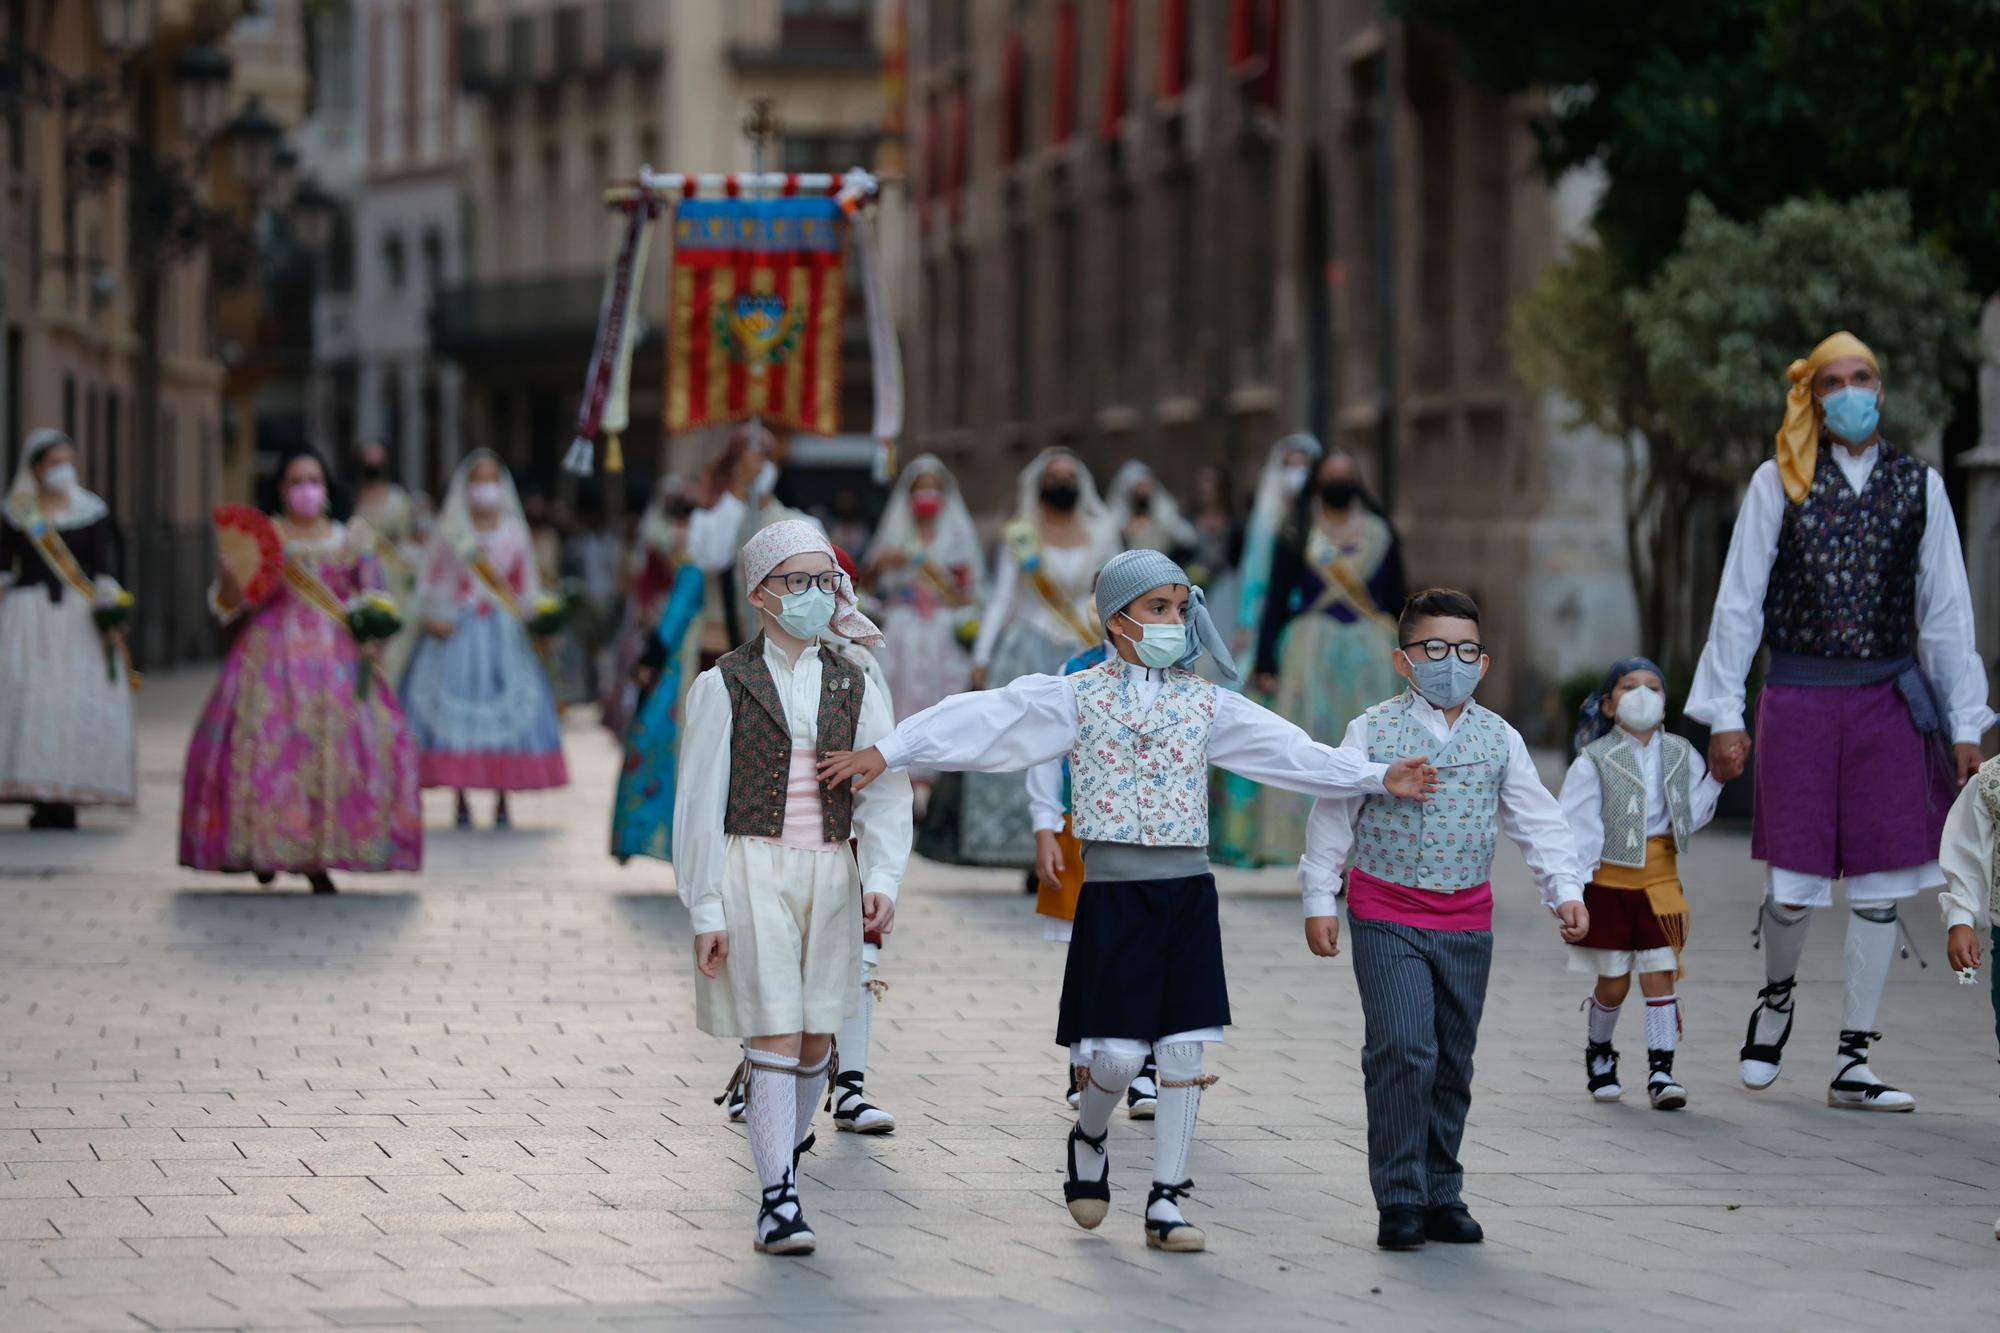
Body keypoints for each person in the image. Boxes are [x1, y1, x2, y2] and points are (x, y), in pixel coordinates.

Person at [822, 549, 1437, 1254]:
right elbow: (986, 719)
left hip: (1186, 894)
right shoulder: (1078, 694)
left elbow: (1290, 752)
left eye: (1181, 608)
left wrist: (1373, 775)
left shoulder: (1206, 703)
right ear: (1117, 621)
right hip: (1114, 897)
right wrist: (890, 749)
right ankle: (1089, 1132)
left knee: (1182, 1050)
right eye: (1159, 609)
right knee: (1113, 1059)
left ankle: (1167, 1197)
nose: (1176, 622)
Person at [1686, 330, 1989, 1113]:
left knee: (1885, 884)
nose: (1850, 392)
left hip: (1891, 701)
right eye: (1834, 382)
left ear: (1880, 392)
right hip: (1800, 696)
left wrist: (1965, 722)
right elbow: (1739, 603)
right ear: (1812, 397)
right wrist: (1724, 713)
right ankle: (1777, 996)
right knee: (1794, 883)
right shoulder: (1776, 481)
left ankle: (1855, 1055)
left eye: (1863, 378)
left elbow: (1947, 612)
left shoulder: (1919, 484)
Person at [1299, 589, 1588, 1251]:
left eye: (1463, 650)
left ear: (1482, 663)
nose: (1448, 662)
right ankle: (1399, 1196)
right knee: (1404, 1048)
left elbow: (1536, 818)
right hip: (1386, 912)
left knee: (1452, 1058)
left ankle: (1440, 1188)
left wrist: (1563, 889)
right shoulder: (1372, 729)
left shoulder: (1499, 737)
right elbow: (1333, 811)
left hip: (1466, 920)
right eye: (1433, 648)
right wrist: (1321, 896)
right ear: (1405, 661)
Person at [671, 520, 913, 1256]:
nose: (815, 594)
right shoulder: (723, 683)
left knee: (816, 1038)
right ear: (759, 593)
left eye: (825, 580)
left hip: (830, 872)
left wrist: (882, 874)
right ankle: (778, 1196)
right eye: (796, 581)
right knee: (774, 1023)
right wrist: (705, 904)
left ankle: (787, 1151)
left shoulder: (858, 678)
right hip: (754, 866)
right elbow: (699, 801)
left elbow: (884, 786)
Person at [180, 447, 423, 893]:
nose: (306, 490)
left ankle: (317, 854)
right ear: (281, 489)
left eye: (314, 480)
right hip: (269, 658)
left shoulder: (352, 539)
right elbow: (238, 604)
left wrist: (375, 636)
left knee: (332, 755)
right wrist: (230, 576)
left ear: (327, 489)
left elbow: (376, 596)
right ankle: (264, 844)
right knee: (267, 750)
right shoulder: (266, 538)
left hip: (339, 664)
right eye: (296, 481)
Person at [930, 448, 1119, 870]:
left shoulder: (1103, 531)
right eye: (1054, 475)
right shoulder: (1022, 533)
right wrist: (982, 654)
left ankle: (1086, 845)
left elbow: (1115, 588)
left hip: (1085, 651)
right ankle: (1026, 847)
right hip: (1028, 648)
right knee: (1026, 745)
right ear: (1039, 483)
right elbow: (1001, 598)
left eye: (1070, 474)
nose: (1062, 482)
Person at [1559, 658, 1723, 1110]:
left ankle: (1661, 1070)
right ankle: (1599, 1051)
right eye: (1630, 686)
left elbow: (1691, 816)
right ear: (1609, 704)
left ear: (1665, 703)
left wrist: (1718, 781)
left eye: (1653, 686)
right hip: (1608, 882)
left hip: (1661, 881)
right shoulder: (1592, 760)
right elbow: (1574, 827)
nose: (1643, 694)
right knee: (1613, 982)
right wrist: (1570, 890)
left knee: (1659, 973)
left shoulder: (1681, 753)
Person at [1253, 448, 1408, 865]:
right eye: (1332, 474)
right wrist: (1265, 662)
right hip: (1311, 653)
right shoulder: (1298, 531)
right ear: (1318, 482)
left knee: (1370, 750)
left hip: (1370, 655)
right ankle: (1316, 851)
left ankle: (1367, 850)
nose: (1340, 481)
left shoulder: (1380, 532)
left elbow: (1396, 599)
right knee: (1314, 746)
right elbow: (1277, 598)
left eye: (1347, 473)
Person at [400, 451, 569, 829]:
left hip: (503, 629)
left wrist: (538, 619)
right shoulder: (453, 533)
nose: (485, 488)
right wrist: (434, 615)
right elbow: (430, 581)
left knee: (507, 706)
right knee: (454, 706)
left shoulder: (514, 532)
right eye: (478, 479)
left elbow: (527, 586)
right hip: (459, 627)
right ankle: (460, 793)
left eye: (492, 478)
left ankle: (502, 793)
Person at [1024, 629, 1138, 1114]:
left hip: (1147, 829)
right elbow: (1046, 753)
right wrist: (1045, 826)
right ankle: (1083, 1065)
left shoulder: (1180, 679)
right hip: (1084, 824)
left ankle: (1144, 1068)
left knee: (1145, 950)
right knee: (1089, 954)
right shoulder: (1074, 673)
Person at [0, 428, 135, 825]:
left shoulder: (91, 510)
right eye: (54, 462)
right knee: (35, 698)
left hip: (79, 618)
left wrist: (112, 614)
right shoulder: (17, 512)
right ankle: (41, 793)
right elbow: (4, 569)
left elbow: (105, 569)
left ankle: (70, 791)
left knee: (76, 697)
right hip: (29, 617)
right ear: (36, 468)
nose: (63, 469)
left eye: (67, 460)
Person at [861, 455, 983, 792]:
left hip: (942, 628)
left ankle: (936, 781)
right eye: (921, 489)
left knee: (942, 696)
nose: (927, 495)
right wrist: (887, 561)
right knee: (897, 695)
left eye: (933, 489)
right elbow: (867, 583)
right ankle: (896, 771)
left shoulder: (955, 535)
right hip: (902, 628)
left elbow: (968, 590)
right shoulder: (896, 534)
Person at [609, 527, 705, 864]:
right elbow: (678, 604)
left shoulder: (713, 537)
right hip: (689, 658)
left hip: (693, 656)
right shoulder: (708, 540)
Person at [603, 475, 693, 735]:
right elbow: (645, 578)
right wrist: (646, 607)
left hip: (685, 615)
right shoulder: (658, 536)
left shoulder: (696, 538)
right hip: (661, 612)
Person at [1235, 432, 1322, 676]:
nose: (1296, 472)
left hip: (1312, 609)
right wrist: (1245, 621)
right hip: (1270, 609)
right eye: (1290, 465)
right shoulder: (1266, 517)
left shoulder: (1324, 517)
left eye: (1302, 465)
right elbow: (1252, 571)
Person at [351, 439, 424, 683]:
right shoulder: (354, 499)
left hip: (394, 581)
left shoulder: (398, 499)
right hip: (363, 578)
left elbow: (409, 540)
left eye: (378, 460)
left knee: (395, 647)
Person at [1105, 460, 1197, 560]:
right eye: (1139, 486)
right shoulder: (1118, 514)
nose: (1142, 492)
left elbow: (1186, 537)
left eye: (1145, 485)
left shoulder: (1163, 508)